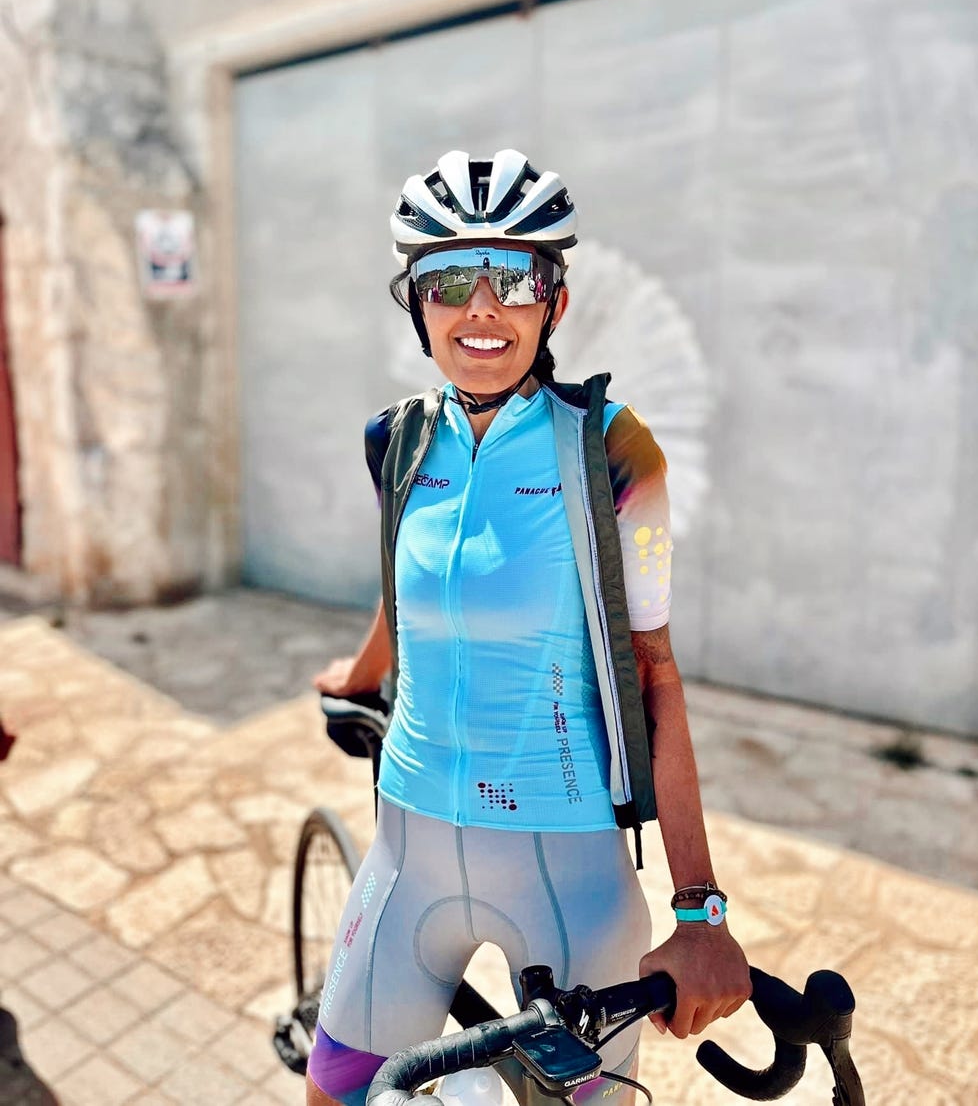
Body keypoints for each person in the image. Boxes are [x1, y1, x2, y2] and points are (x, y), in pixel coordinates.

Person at [308, 150, 749, 1106]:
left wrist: (700, 908)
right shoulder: (398, 440)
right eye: (448, 281)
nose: (481, 309)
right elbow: (408, 585)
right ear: (414, 301)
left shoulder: (613, 451)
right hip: (406, 846)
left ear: (552, 299)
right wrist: (354, 674)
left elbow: (656, 674)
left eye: (513, 277)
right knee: (332, 1095)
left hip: (568, 871)